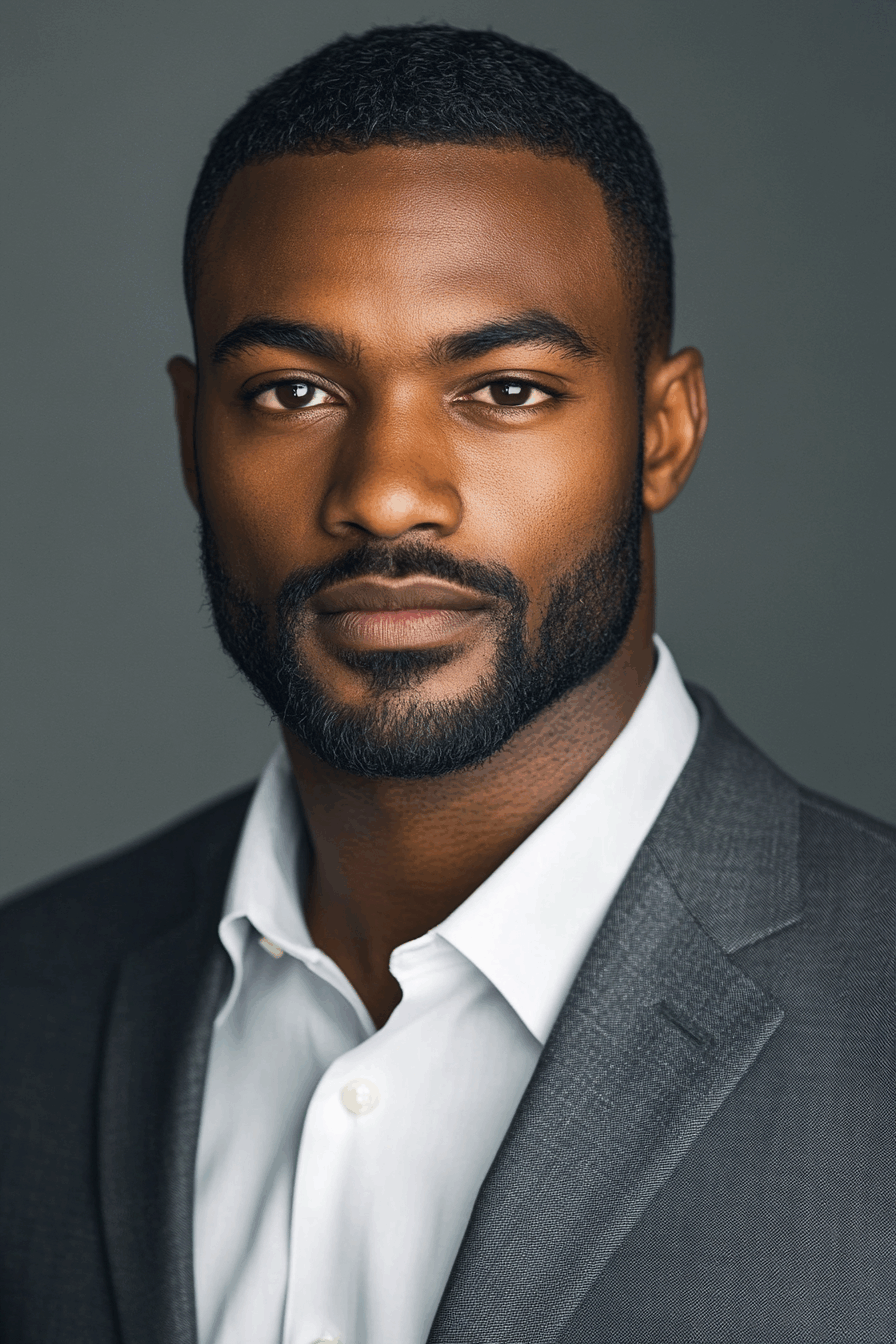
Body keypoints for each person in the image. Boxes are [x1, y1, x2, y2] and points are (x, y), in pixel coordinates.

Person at [0, 23, 892, 1344]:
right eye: (295, 390)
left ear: (663, 431)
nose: (386, 495)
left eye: (508, 389)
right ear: (192, 438)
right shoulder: (29, 1002)